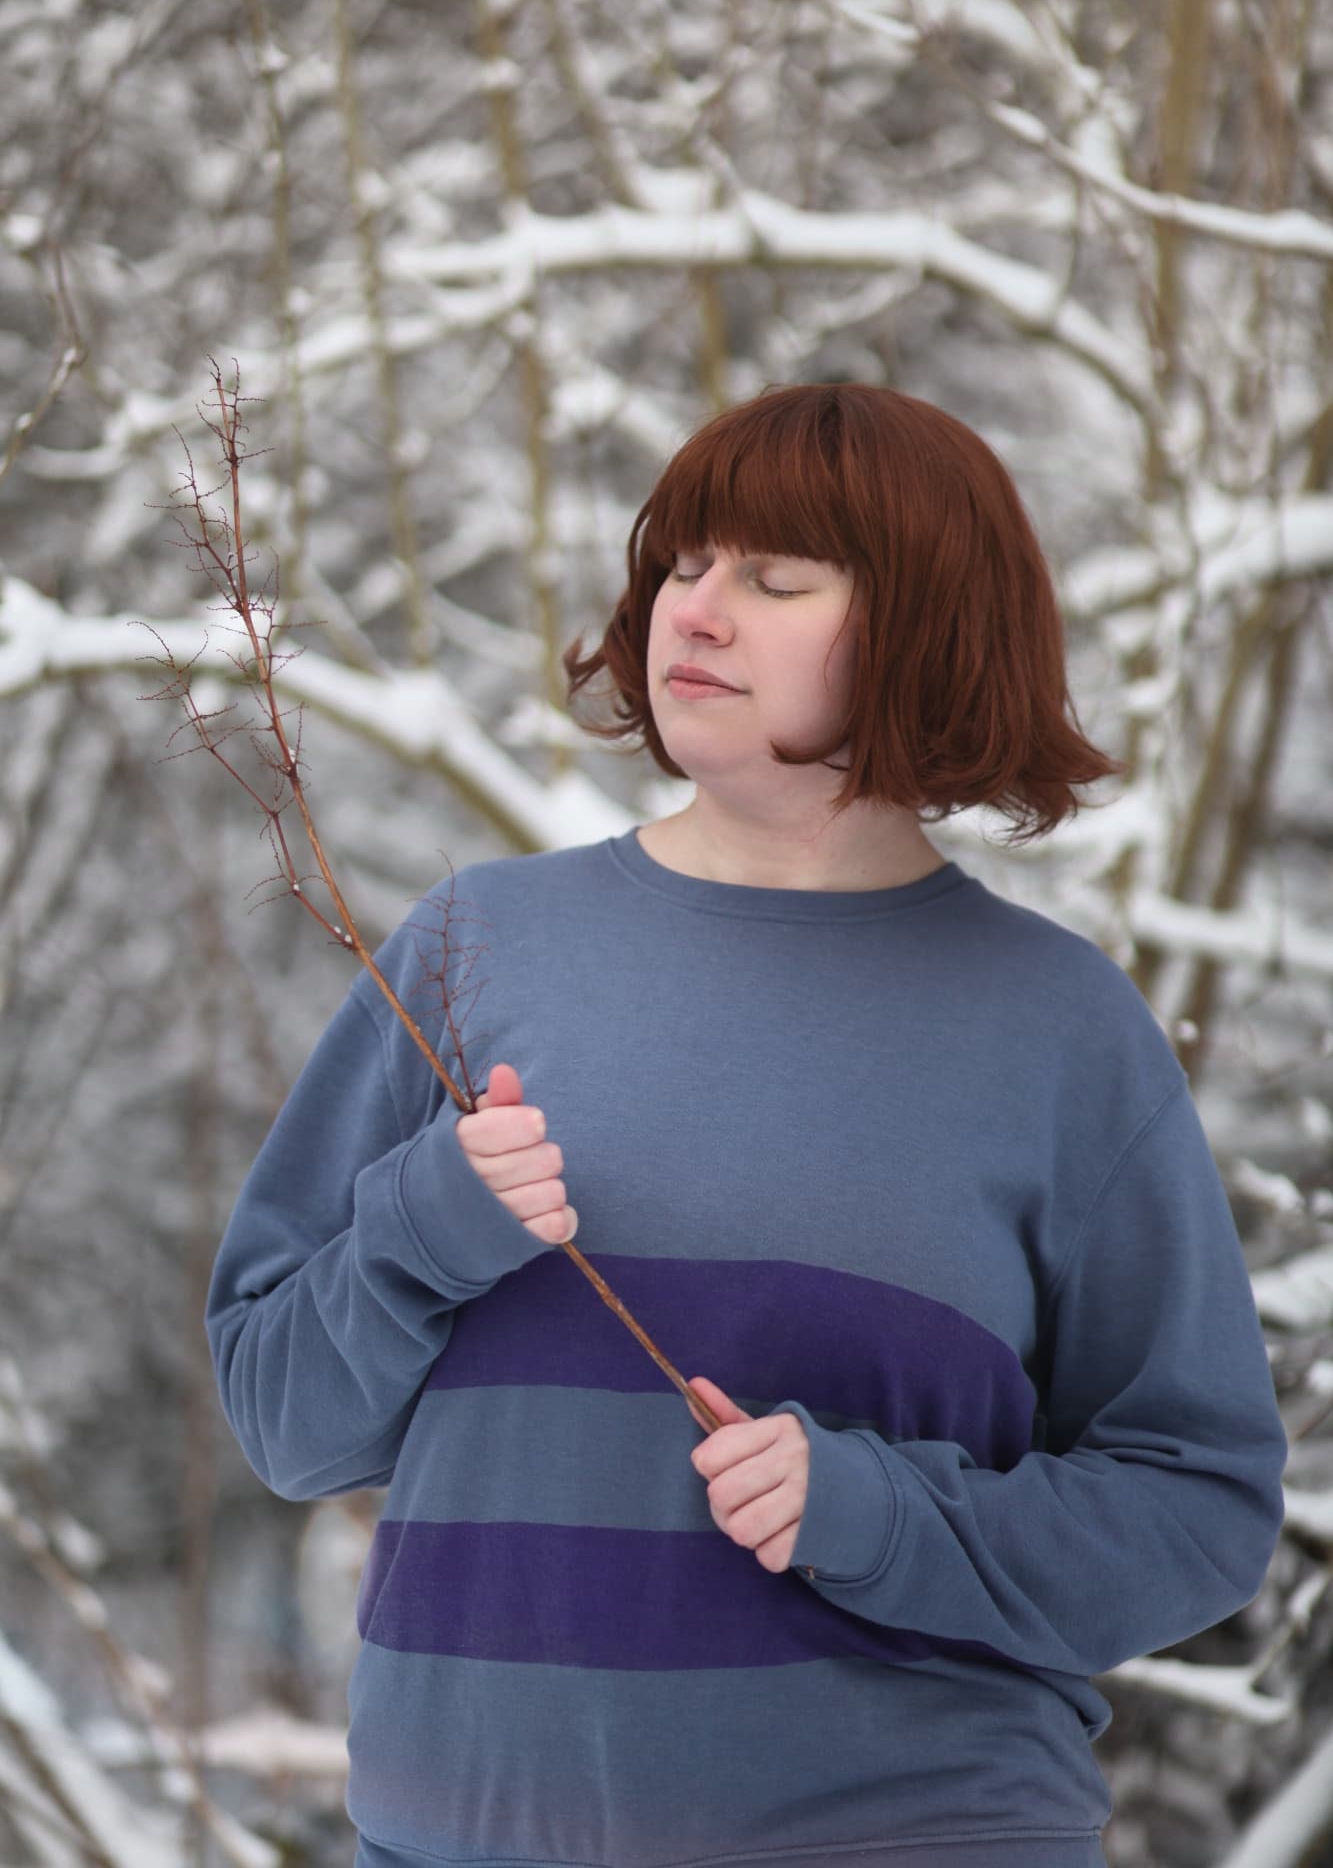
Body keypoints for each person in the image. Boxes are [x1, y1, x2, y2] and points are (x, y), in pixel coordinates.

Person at [206, 382, 1287, 1868]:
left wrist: (879, 1512)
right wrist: (415, 1231)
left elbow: (1195, 1510)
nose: (696, 613)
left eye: (776, 580)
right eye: (683, 565)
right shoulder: (475, 951)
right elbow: (280, 1416)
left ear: (926, 632)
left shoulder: (1056, 1034)